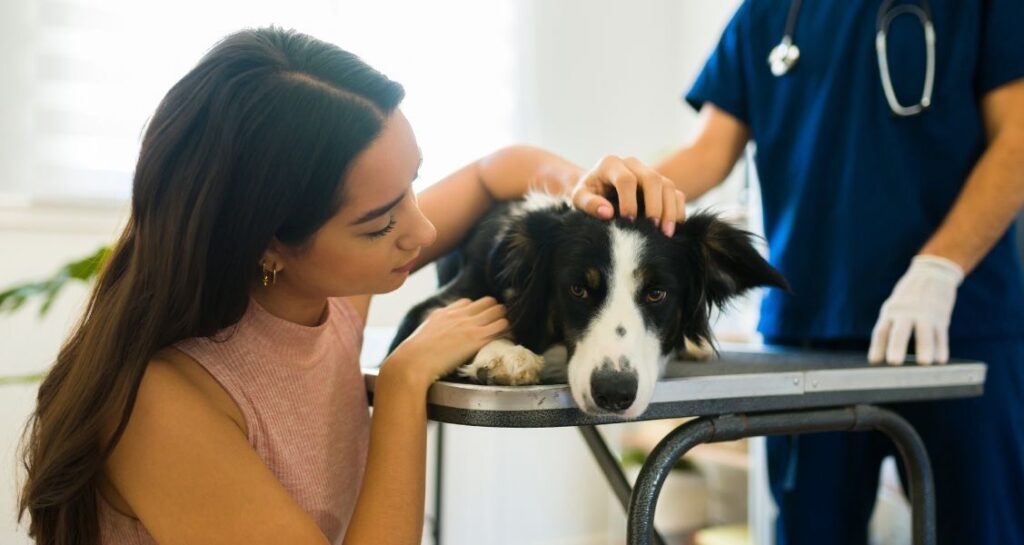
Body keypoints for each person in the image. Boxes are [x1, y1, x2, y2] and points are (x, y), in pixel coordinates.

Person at [16, 27, 685, 545]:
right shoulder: (162, 404)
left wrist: (588, 193)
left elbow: (495, 171)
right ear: (269, 244)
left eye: (413, 182)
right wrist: (403, 380)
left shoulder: (321, 295)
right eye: (378, 223)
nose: (421, 231)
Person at [574, 1, 1024, 544]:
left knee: (981, 529)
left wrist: (940, 267)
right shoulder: (767, 13)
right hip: (806, 338)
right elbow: (708, 154)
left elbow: (1017, 140)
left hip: (956, 326)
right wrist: (613, 192)